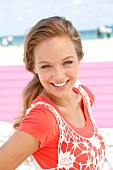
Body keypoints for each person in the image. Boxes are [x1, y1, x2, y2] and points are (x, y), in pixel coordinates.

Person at [0, 16, 106, 170]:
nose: (59, 75)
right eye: (46, 66)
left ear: (79, 58)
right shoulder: (43, 119)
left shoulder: (85, 97)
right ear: (34, 68)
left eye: (67, 62)